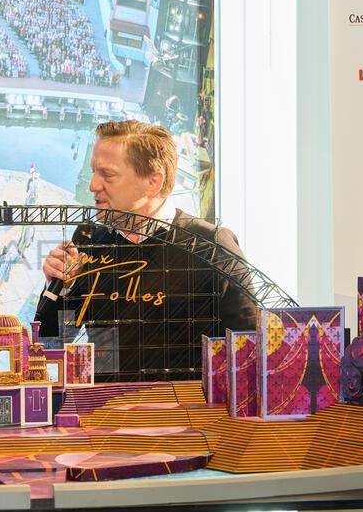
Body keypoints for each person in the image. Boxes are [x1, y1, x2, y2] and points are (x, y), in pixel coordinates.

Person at [35, 120, 257, 381]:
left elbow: (248, 347)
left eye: (107, 174)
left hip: (185, 406)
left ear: (153, 181)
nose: (93, 185)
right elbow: (51, 343)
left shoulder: (212, 245)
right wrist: (62, 289)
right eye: (94, 172)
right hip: (104, 405)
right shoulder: (90, 242)